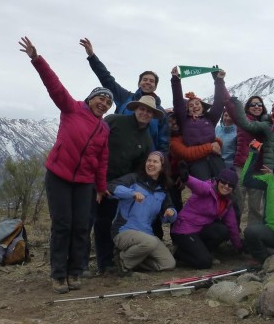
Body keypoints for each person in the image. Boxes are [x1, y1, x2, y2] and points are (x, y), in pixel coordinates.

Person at [19, 37, 111, 294]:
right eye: (100, 98)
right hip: (58, 176)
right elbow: (54, 85)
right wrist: (37, 59)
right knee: (63, 225)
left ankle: (75, 271)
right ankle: (58, 274)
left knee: (82, 226)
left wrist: (101, 188)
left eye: (107, 102)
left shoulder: (104, 128)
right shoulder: (71, 108)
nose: (103, 103)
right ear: (91, 99)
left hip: (84, 182)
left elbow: (102, 160)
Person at [95, 95, 163, 275]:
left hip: (119, 187)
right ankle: (79, 264)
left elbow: (140, 170)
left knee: (106, 222)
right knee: (85, 221)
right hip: (96, 178)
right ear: (135, 109)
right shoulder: (114, 121)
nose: (145, 113)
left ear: (153, 115)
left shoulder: (147, 140)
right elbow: (95, 142)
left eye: (149, 111)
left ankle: (105, 263)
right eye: (142, 109)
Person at [80, 38, 168, 152]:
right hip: (115, 152)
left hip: (143, 160)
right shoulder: (125, 97)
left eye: (152, 81)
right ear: (139, 83)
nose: (148, 82)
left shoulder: (160, 113)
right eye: (145, 79)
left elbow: (163, 141)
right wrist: (92, 57)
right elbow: (107, 79)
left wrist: (157, 159)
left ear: (155, 86)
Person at [109, 151, 178, 275]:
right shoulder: (133, 179)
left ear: (162, 167)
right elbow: (111, 187)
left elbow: (170, 211)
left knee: (168, 263)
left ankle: (132, 261)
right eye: (149, 161)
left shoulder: (163, 190)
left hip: (146, 234)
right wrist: (132, 193)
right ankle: (123, 261)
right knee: (149, 242)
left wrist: (171, 213)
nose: (151, 164)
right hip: (123, 231)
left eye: (155, 162)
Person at [170, 164, 242, 269]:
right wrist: (186, 178)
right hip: (184, 230)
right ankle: (179, 254)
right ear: (218, 180)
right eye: (224, 182)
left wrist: (239, 246)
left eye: (230, 185)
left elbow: (232, 226)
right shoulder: (208, 189)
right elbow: (197, 184)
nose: (226, 186)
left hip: (200, 229)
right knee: (204, 263)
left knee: (223, 231)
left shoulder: (227, 201)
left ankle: (201, 252)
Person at [170, 65, 229, 180]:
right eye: (191, 105)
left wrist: (219, 81)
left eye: (197, 104)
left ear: (203, 107)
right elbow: (178, 101)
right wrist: (176, 80)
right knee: (204, 189)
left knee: (223, 184)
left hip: (214, 157)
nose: (194, 106)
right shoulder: (184, 121)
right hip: (196, 162)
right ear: (187, 109)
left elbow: (218, 102)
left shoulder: (210, 119)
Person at [229, 95, 268, 225]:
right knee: (237, 203)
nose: (257, 107)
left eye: (259, 104)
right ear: (247, 107)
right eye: (253, 104)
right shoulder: (242, 120)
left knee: (256, 206)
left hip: (258, 169)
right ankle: (234, 235)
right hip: (242, 166)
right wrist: (219, 80)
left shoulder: (266, 123)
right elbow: (228, 107)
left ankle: (254, 235)